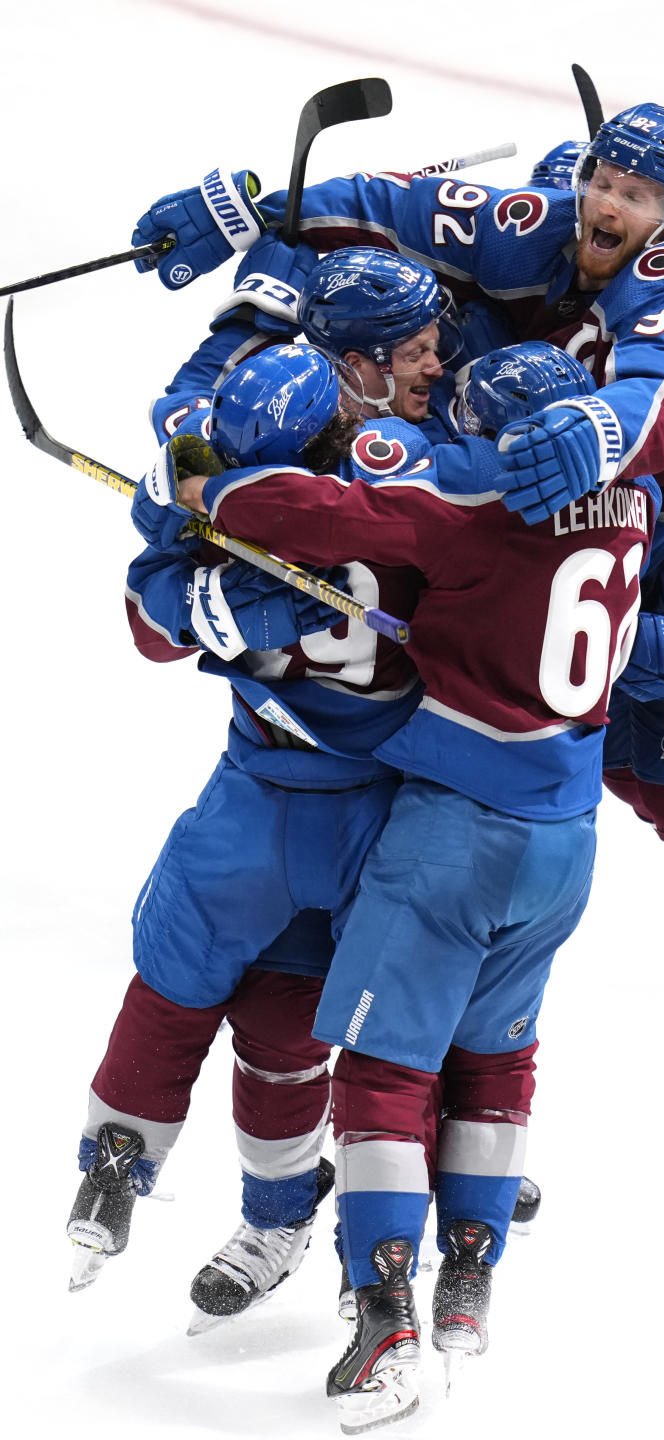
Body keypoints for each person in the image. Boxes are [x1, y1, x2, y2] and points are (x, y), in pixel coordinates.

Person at [130, 100, 664, 1060]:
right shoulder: (525, 229)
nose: (605, 203)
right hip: (551, 517)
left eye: (635, 195)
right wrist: (259, 209)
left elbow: (651, 411)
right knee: (527, 738)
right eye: (600, 181)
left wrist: (597, 434)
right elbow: (376, 204)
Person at [171, 333, 664, 1430]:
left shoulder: (469, 516)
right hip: (568, 842)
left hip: (457, 839)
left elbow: (305, 515)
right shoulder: (635, 491)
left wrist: (204, 480)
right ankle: (468, 1282)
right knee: (498, 1054)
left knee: (379, 1076)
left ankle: (385, 1325)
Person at [67, 344, 426, 1326]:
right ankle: (120, 1156)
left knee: (312, 1028)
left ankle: (336, 1216)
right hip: (262, 793)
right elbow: (153, 614)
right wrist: (167, 505)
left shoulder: (412, 487)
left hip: (381, 809)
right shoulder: (244, 477)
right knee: (177, 973)